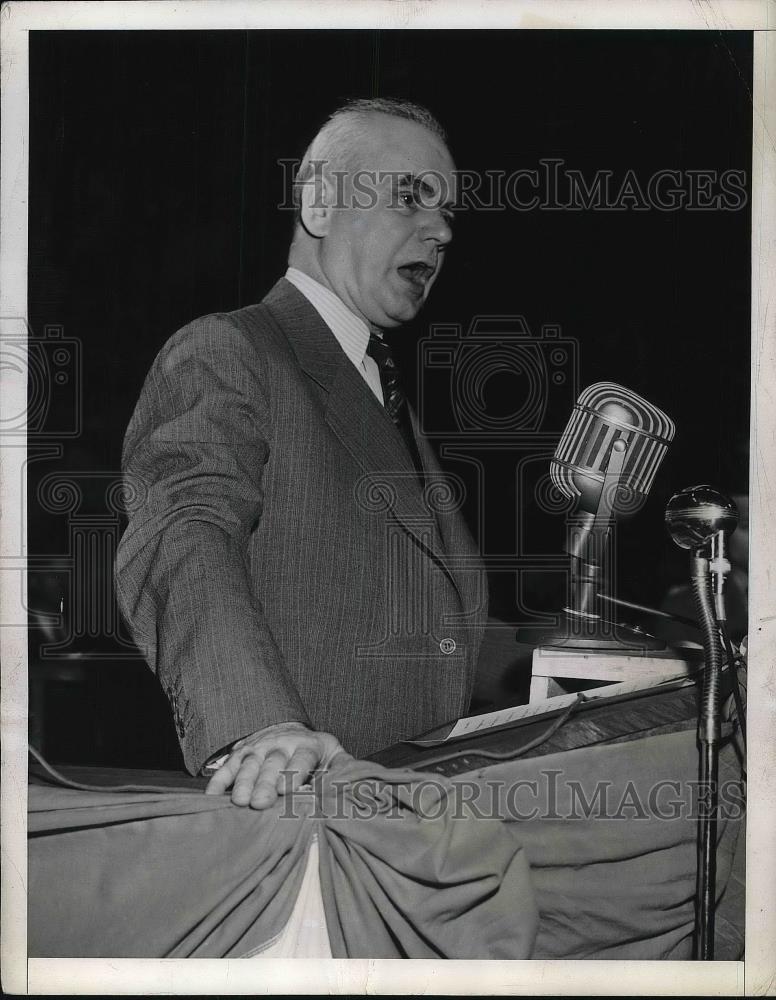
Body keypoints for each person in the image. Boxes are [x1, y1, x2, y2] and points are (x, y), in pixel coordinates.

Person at [115, 98, 487, 810]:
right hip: (294, 824)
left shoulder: (387, 399)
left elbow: (429, 633)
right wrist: (260, 725)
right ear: (319, 203)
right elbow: (182, 532)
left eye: (448, 216)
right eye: (411, 196)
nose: (439, 231)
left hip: (401, 834)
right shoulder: (233, 349)